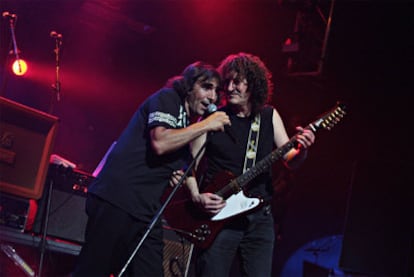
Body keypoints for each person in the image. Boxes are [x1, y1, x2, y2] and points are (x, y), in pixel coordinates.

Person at [72, 61, 230, 277]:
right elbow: (160, 143)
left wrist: (196, 195)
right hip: (117, 199)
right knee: (93, 270)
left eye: (216, 91)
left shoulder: (188, 122)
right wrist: (206, 124)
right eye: (206, 87)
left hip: (146, 210)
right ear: (189, 86)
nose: (212, 97)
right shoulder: (167, 98)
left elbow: (186, 163)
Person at [179, 52, 316, 276]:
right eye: (227, 82)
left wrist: (303, 149)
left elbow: (291, 160)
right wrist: (197, 196)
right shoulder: (214, 119)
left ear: (252, 84)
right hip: (219, 215)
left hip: (259, 218)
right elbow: (188, 164)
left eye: (237, 82)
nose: (230, 87)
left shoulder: (269, 116)